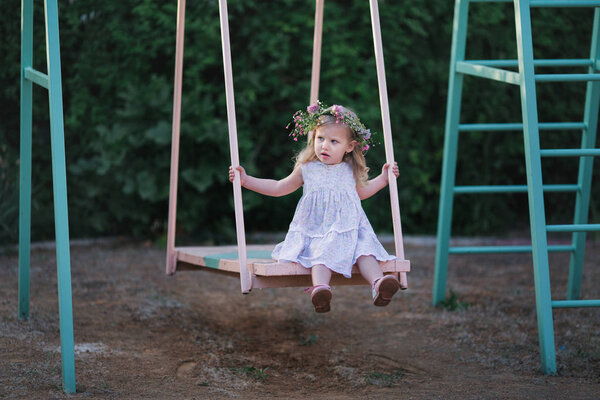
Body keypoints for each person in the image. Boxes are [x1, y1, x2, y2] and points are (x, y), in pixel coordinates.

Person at [228, 101, 401, 313]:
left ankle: (378, 284)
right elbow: (278, 187)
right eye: (320, 138)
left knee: (365, 253)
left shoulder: (349, 170)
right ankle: (320, 290)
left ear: (349, 146)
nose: (324, 146)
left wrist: (384, 179)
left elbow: (362, 193)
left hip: (350, 231)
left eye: (333, 141)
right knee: (322, 254)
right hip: (317, 231)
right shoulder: (307, 169)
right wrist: (246, 180)